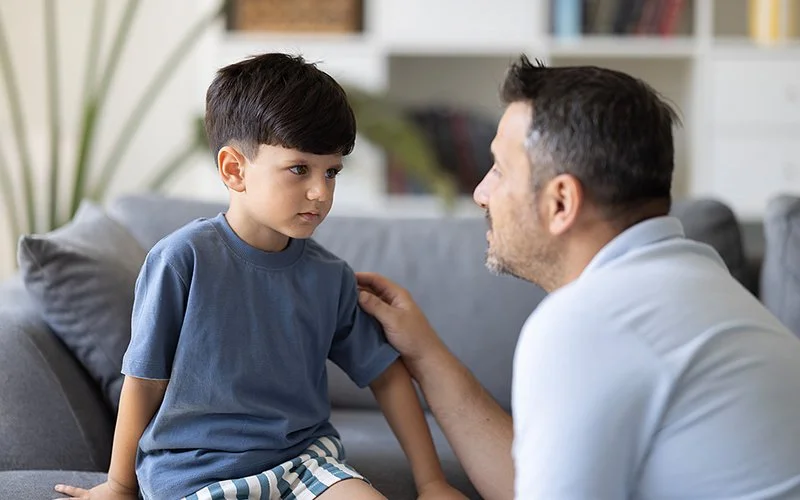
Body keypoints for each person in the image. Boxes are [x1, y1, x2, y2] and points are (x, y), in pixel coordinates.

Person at [357, 55, 800, 500]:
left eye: (499, 170)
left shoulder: (589, 324)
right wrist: (426, 354)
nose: (480, 193)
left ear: (561, 202)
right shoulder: (698, 283)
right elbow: (530, 484)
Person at [54, 53, 463, 500]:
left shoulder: (331, 278)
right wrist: (118, 484)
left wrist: (432, 482)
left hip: (306, 461)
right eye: (299, 169)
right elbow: (145, 380)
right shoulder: (180, 260)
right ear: (234, 169)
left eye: (332, 172)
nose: (321, 192)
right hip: (195, 472)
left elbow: (387, 375)